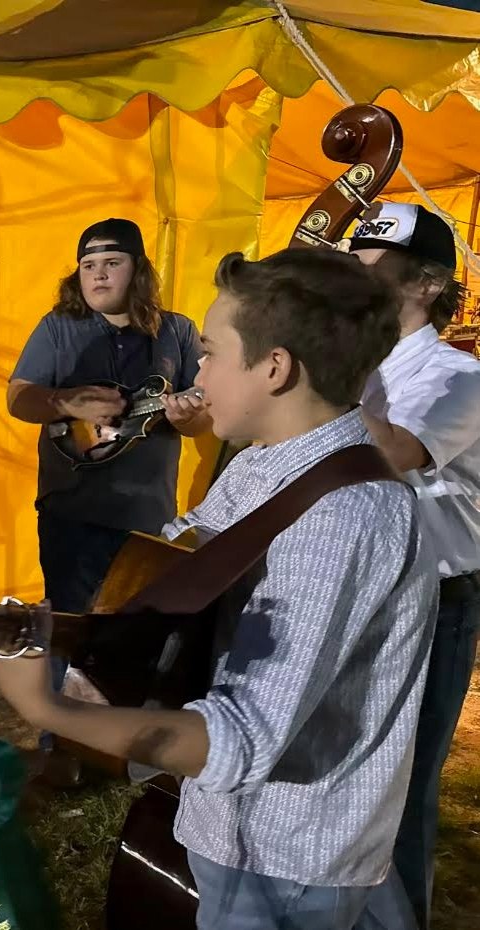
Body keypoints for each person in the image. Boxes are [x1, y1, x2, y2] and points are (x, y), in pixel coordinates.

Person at [0, 247, 436, 929]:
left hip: (284, 852)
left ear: (274, 368)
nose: (196, 375)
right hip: (228, 823)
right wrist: (86, 631)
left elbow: (241, 741)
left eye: (210, 353)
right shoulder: (261, 465)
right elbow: (179, 568)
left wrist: (46, 709)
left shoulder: (345, 516)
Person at [6, 217, 211, 783]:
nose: (97, 274)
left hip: (147, 515)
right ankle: (61, 747)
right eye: (88, 265)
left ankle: (125, 746)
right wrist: (66, 402)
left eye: (111, 263)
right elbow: (19, 398)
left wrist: (188, 417)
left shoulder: (177, 332)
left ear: (138, 269)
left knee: (139, 634)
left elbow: (203, 419)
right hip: (71, 508)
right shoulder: (58, 327)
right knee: (69, 628)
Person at [350, 201, 480, 930]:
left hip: (433, 601)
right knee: (349, 776)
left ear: (427, 284)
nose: (350, 279)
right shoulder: (358, 368)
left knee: (400, 788)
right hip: (355, 592)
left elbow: (393, 452)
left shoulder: (457, 374)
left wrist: (315, 374)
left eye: (369, 267)